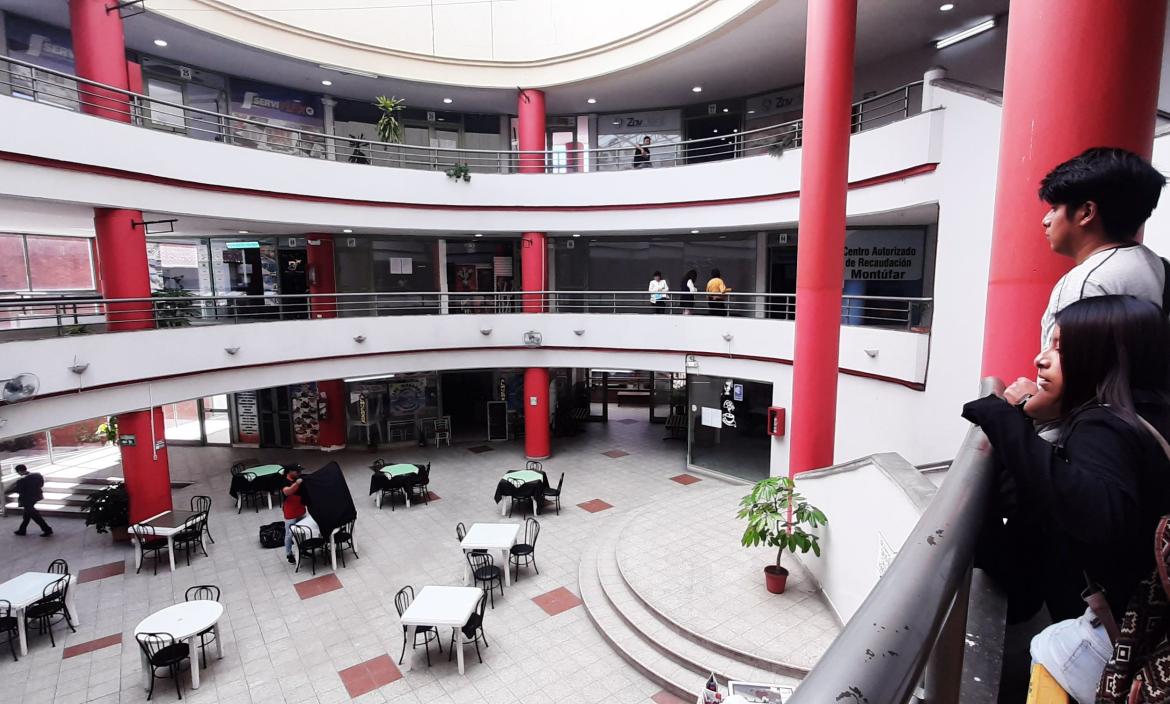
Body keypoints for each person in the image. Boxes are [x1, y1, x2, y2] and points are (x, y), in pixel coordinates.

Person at [962, 296, 1170, 702]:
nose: (1041, 359)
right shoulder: (1149, 414)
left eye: (1061, 347)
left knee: (1048, 651)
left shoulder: (1104, 427)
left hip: (1123, 630)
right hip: (1147, 622)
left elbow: (1097, 513)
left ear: (1104, 356)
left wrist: (1004, 418)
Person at [1006, 147, 1166, 407]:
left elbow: (1062, 389)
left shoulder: (1085, 282)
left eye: (1055, 208)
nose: (1046, 220)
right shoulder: (1152, 263)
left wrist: (1024, 401)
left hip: (1079, 431)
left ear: (1086, 212)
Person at [12, 464, 51, 537]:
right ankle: (22, 530)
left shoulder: (21, 480)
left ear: (19, 471)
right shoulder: (37, 475)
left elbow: (18, 490)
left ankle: (47, 529)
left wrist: (13, 489)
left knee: (35, 515)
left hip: (27, 499)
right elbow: (41, 484)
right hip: (36, 496)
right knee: (27, 514)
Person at [281, 465, 307, 564]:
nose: (299, 473)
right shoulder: (283, 481)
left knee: (303, 531)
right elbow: (287, 492)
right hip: (290, 513)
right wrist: (296, 483)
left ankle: (303, 550)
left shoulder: (299, 478)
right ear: (290, 472)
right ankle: (289, 554)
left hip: (301, 510)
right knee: (289, 535)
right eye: (297, 471)